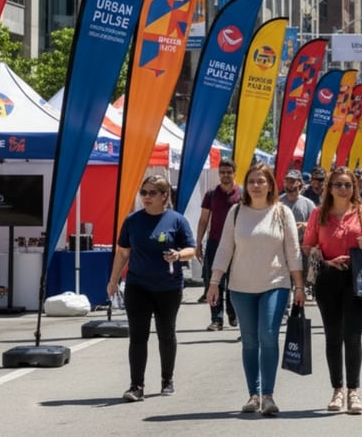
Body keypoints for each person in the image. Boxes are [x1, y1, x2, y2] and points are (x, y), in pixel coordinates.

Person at [207, 164, 303, 416]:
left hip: (276, 284)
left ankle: (268, 395)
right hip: (240, 287)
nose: (256, 186)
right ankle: (254, 394)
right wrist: (214, 281)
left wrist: (299, 286)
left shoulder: (282, 212)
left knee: (268, 335)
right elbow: (225, 248)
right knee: (249, 341)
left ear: (270, 185)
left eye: (261, 181)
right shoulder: (236, 212)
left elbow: (293, 252)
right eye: (251, 181)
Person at [107, 175, 196, 402]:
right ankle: (136, 386)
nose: (146, 197)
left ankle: (167, 379)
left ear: (164, 196)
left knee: (166, 333)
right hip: (138, 286)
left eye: (152, 193)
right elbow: (123, 252)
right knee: (138, 336)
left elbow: (192, 250)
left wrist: (178, 255)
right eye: (143, 192)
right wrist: (113, 280)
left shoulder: (177, 220)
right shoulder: (132, 221)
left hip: (168, 287)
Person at [302, 167, 362, 415]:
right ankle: (337, 389)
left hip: (356, 278)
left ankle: (353, 391)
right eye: (338, 185)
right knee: (333, 336)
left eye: (347, 185)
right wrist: (326, 260)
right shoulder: (318, 214)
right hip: (328, 277)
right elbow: (308, 246)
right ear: (329, 188)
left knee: (353, 336)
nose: (343, 189)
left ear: (354, 187)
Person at [195, 160, 241, 330]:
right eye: (222, 172)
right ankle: (216, 319)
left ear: (234, 173)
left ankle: (233, 313)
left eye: (229, 172)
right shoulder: (211, 194)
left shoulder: (242, 194)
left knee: (235, 281)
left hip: (238, 244)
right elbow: (203, 220)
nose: (225, 175)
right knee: (214, 282)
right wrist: (198, 244)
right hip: (215, 243)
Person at [280, 169, 316, 300]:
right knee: (284, 280)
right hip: (283, 246)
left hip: (302, 247)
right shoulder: (278, 202)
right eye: (287, 181)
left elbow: (317, 224)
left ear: (299, 183)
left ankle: (298, 307)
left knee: (301, 279)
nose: (289, 185)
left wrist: (306, 225)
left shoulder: (308, 204)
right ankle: (284, 307)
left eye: (292, 181)